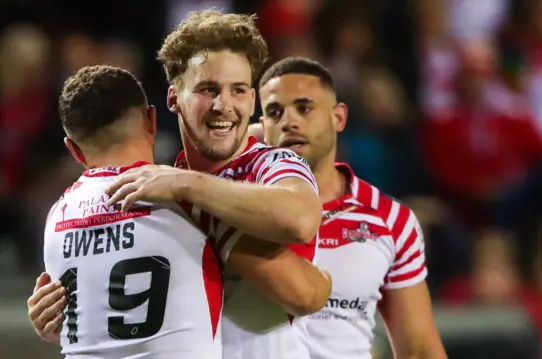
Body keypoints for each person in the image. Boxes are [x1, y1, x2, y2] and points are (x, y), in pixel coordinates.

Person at [28, 11, 331, 359]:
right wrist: (69, 313)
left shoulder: (271, 164)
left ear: (252, 100)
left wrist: (189, 188)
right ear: (172, 100)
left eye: (238, 90)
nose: (223, 105)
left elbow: (302, 224)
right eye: (207, 89)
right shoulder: (161, 190)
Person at [253, 57, 447, 359]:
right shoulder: (239, 207)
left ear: (338, 117)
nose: (289, 121)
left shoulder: (391, 220)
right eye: (275, 112)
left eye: (304, 108)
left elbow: (420, 350)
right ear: (262, 127)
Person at [31, 65, 224, 358]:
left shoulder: (56, 217)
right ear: (152, 119)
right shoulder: (192, 197)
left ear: (74, 150)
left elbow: (73, 324)